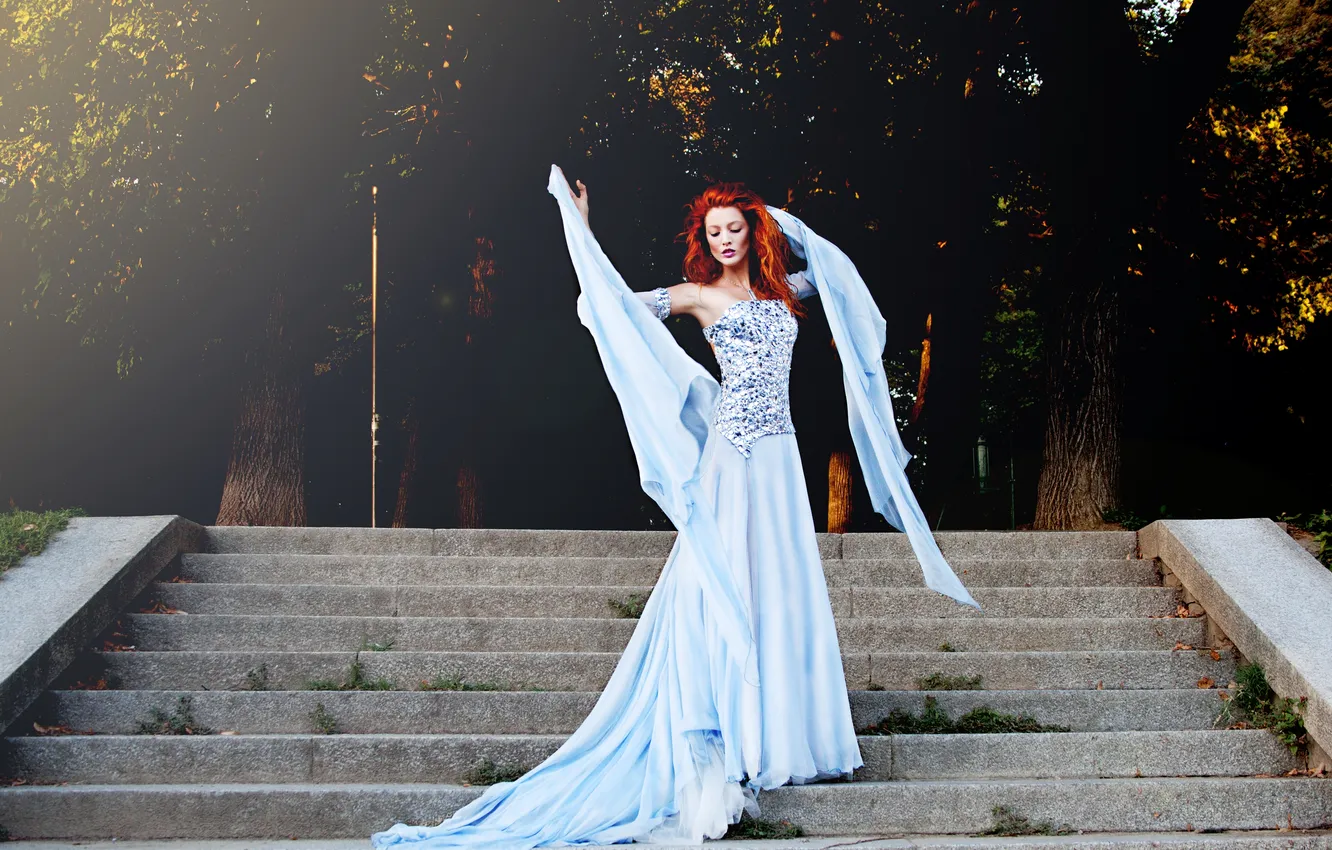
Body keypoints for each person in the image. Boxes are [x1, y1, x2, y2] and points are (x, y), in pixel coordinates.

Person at [368, 166, 978, 849]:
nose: (724, 240)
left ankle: (783, 740)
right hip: (731, 456)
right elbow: (612, 310)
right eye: (714, 231)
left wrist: (785, 222)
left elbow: (844, 278)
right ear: (705, 240)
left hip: (780, 459)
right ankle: (727, 732)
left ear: (753, 233)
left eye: (735, 228)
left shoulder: (790, 290)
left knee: (779, 589)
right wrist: (584, 230)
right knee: (725, 584)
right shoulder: (695, 296)